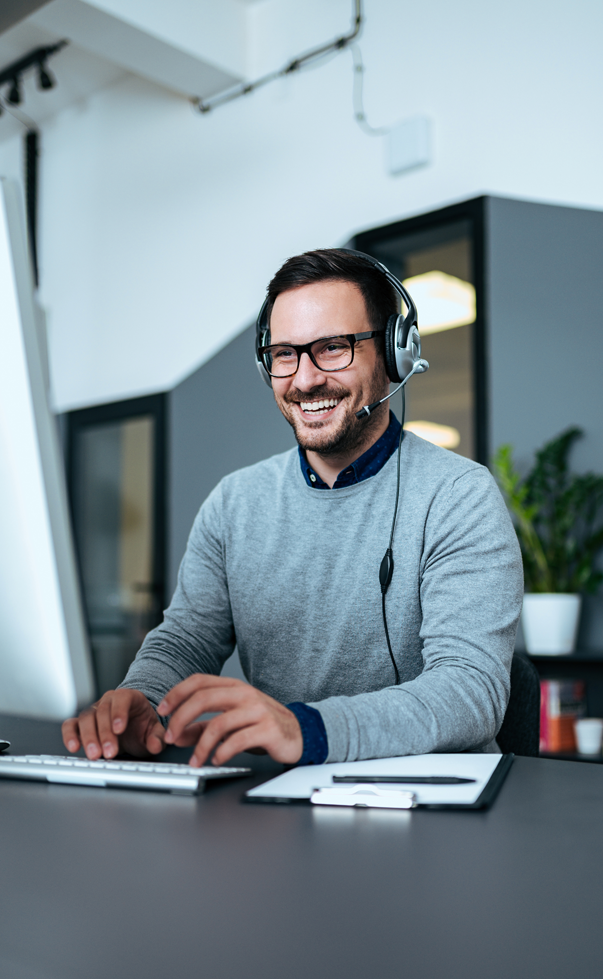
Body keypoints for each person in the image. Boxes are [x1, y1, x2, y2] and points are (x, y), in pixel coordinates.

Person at [62, 249, 523, 768]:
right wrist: (139, 702)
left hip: (435, 805)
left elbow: (469, 691)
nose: (304, 380)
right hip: (282, 800)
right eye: (284, 354)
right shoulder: (233, 503)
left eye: (332, 348)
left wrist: (308, 729)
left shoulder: (459, 494)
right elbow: (186, 641)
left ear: (394, 353)